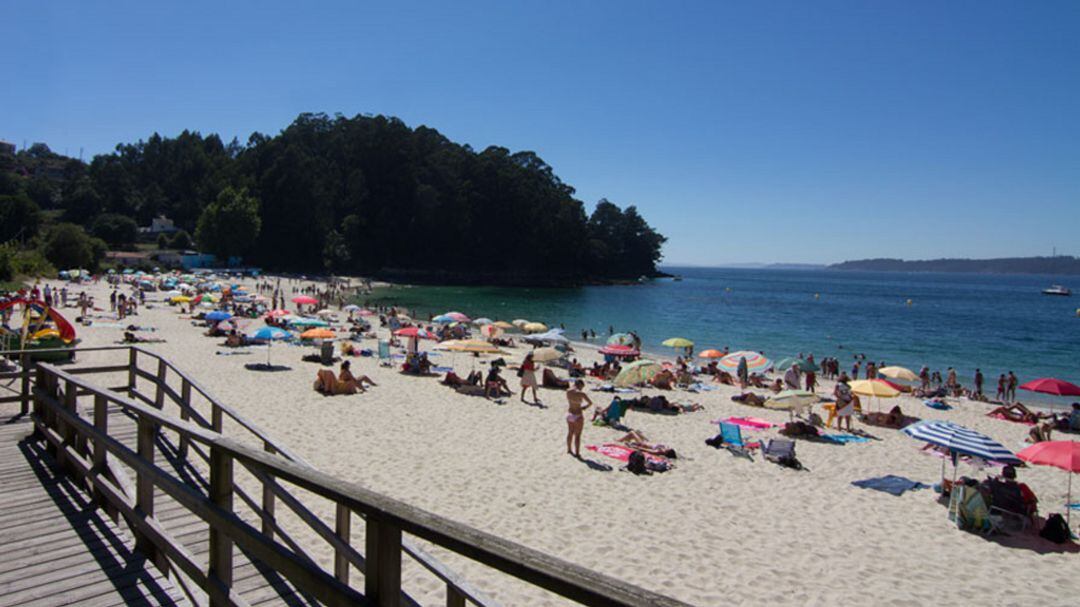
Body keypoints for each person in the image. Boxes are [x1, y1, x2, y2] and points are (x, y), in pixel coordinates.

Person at [565, 379, 593, 457]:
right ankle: (577, 453)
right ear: (580, 385)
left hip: (570, 413)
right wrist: (584, 407)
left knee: (570, 432)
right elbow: (590, 403)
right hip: (577, 414)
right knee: (577, 435)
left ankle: (569, 449)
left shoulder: (568, 391)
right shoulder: (581, 393)